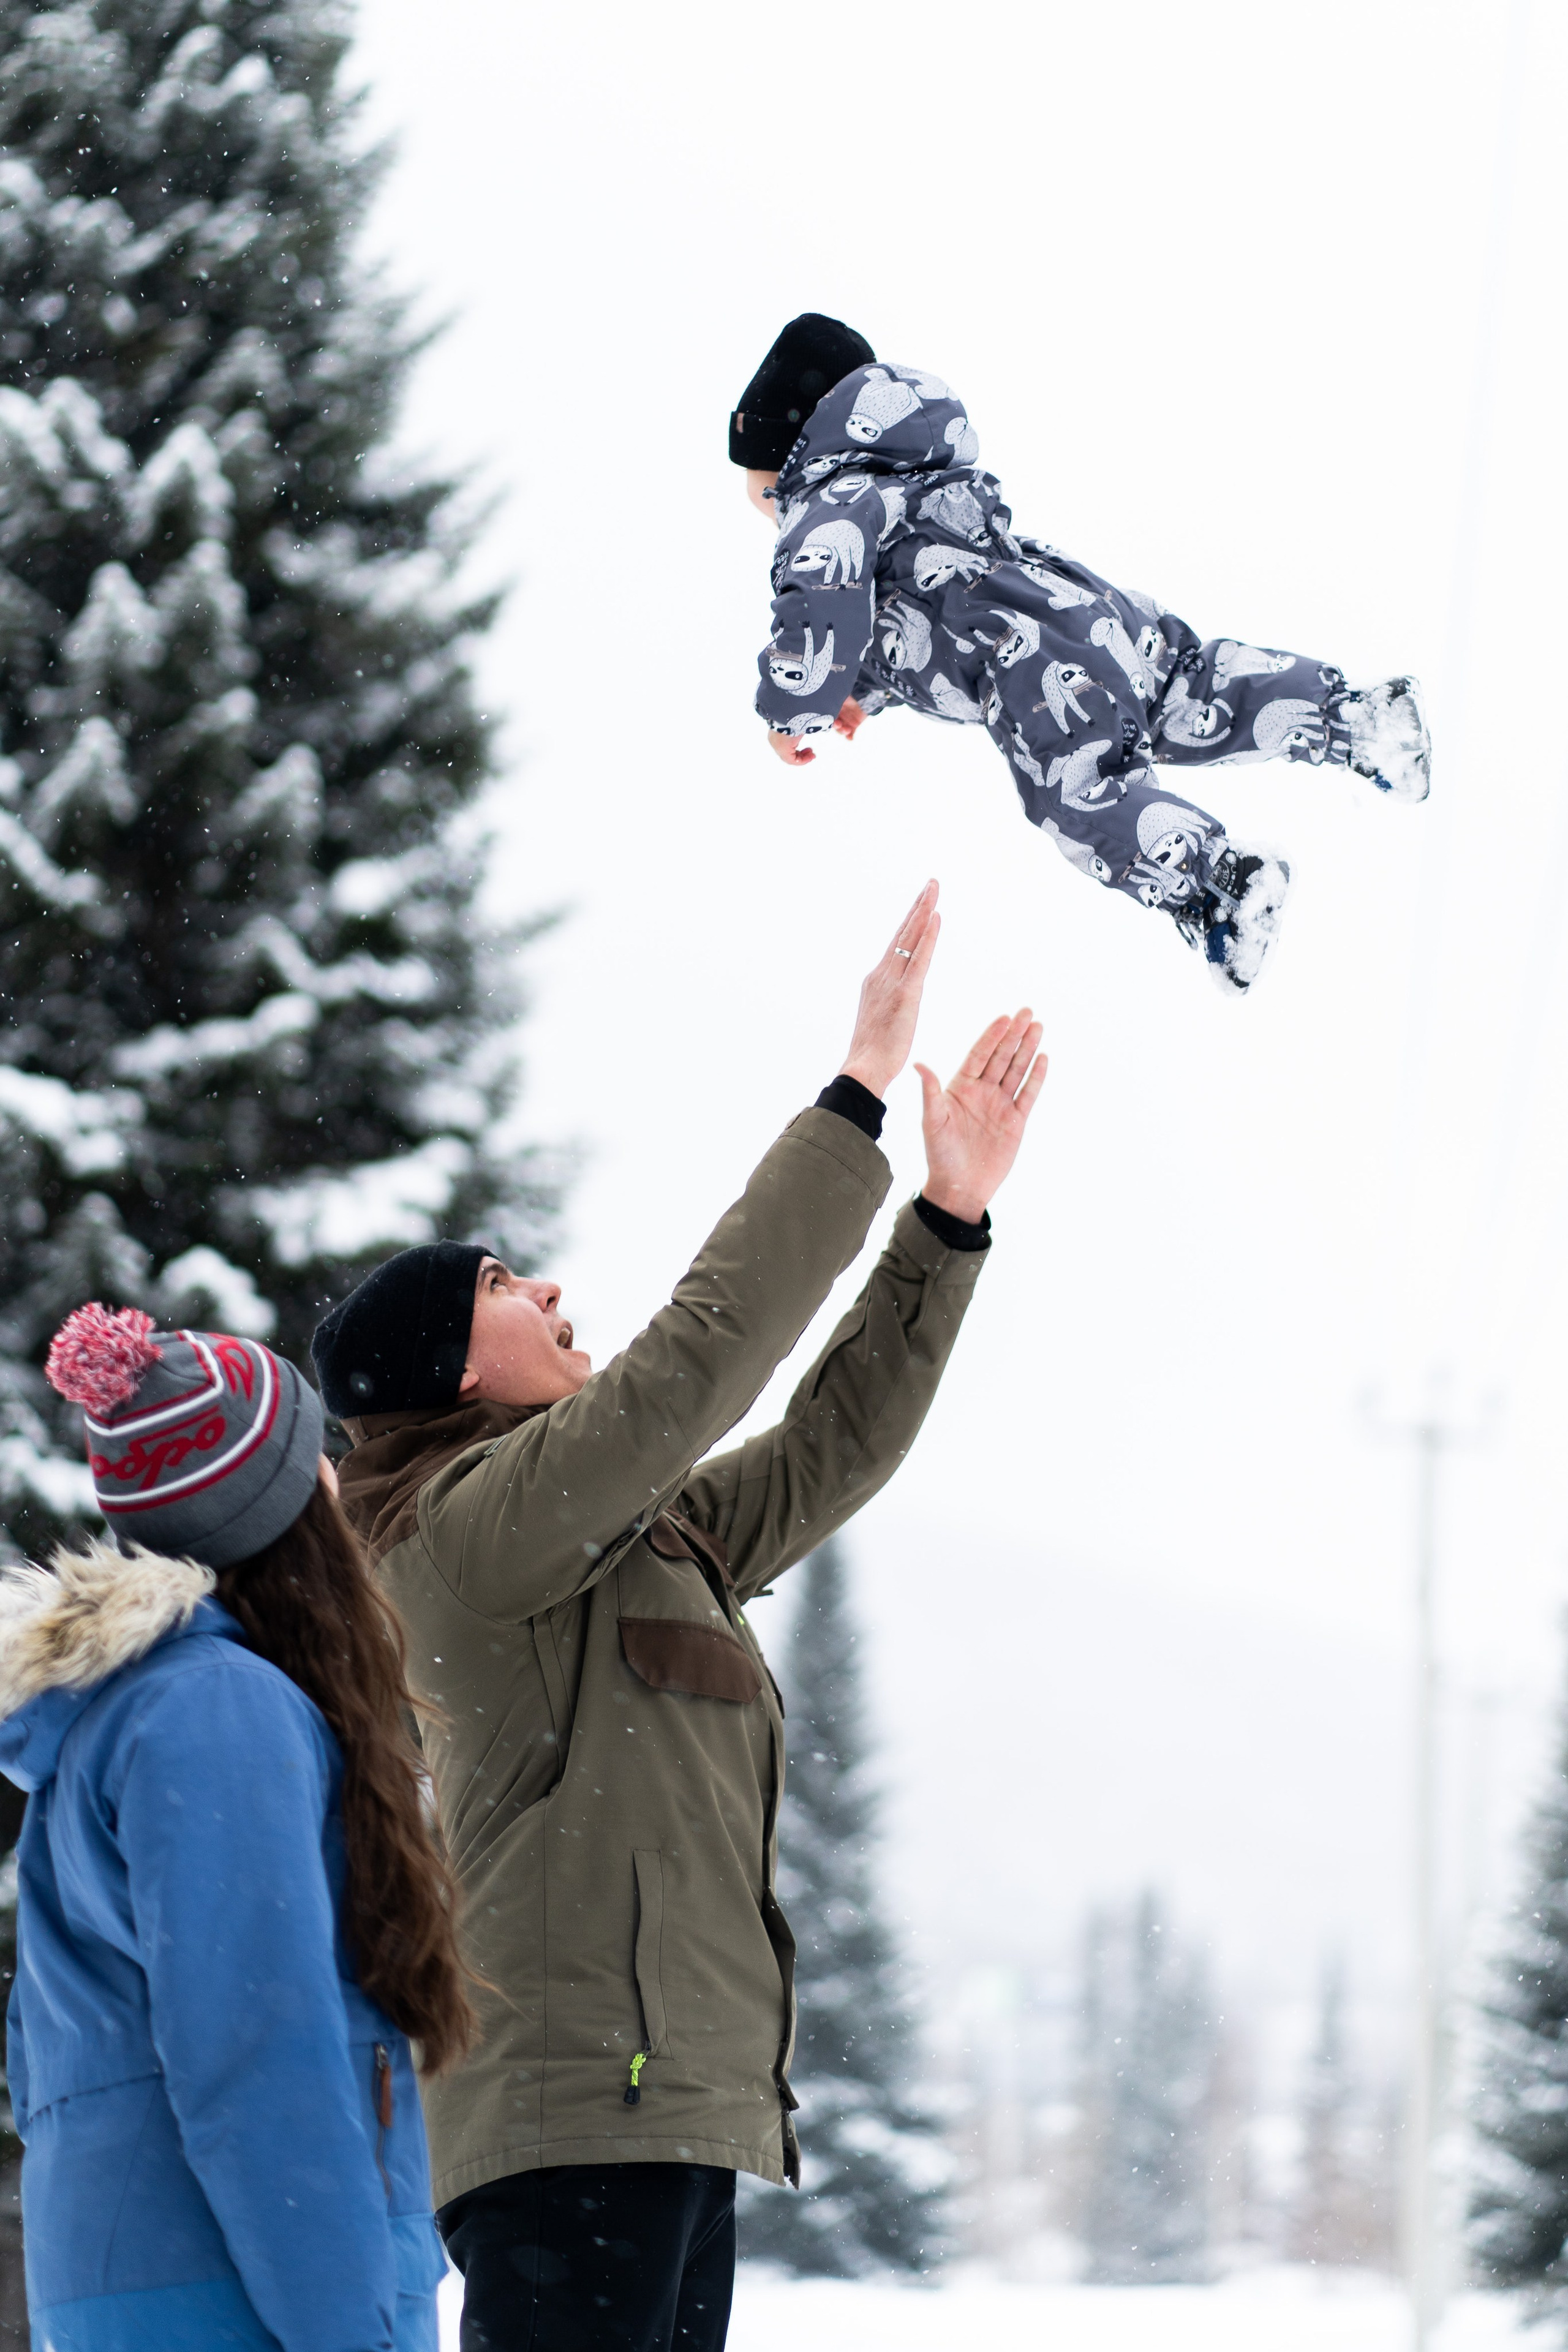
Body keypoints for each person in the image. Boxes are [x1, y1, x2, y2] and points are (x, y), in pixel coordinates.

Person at [314, 881, 1046, 2352]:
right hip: (566, 2116)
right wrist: (852, 1098)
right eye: (506, 1287)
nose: (551, 1286)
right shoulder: (463, 1533)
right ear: (449, 1373)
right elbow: (699, 1357)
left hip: (659, 2111)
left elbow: (829, 1445)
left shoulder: (630, 1539)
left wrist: (946, 1215)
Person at [2, 1308, 467, 2351]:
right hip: (235, 2300)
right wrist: (352, 2326)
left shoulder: (116, 1717)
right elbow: (258, 2056)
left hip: (147, 2279)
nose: (343, 1480)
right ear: (284, 1505)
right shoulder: (215, 1710)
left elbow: (43, 2063)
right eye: (322, 1456)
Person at [732, 313, 1432, 995]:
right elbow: (897, 615)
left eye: (761, 500)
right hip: (1079, 608)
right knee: (1189, 688)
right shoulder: (910, 475)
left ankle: (1223, 887)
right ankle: (1361, 721)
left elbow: (821, 606)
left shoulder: (824, 502)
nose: (772, 520)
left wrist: (793, 711)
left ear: (786, 464)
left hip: (1025, 665)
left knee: (1080, 788)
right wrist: (859, 691)